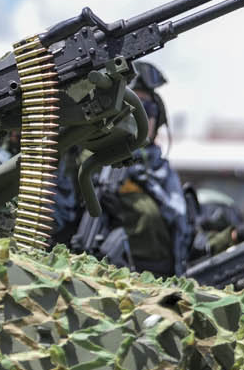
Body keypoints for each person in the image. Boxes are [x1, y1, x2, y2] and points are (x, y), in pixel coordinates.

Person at [61, 61, 195, 277]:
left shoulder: (162, 173)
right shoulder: (91, 161)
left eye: (148, 108)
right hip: (112, 278)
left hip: (163, 280)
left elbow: (178, 233)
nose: (142, 115)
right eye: (132, 105)